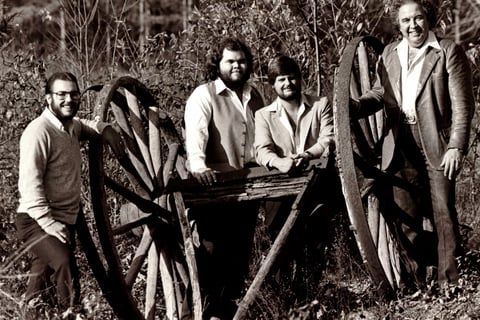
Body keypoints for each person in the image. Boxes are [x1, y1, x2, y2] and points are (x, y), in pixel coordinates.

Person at [350, 0, 475, 291]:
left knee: (443, 210)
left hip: (436, 141)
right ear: (399, 24)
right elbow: (382, 93)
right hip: (399, 141)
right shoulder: (391, 53)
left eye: (418, 18)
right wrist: (356, 106)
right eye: (406, 20)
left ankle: (449, 282)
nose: (413, 25)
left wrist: (456, 145)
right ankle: (416, 282)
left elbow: (462, 104)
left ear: (428, 19)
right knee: (405, 213)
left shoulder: (447, 52)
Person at [16, 72, 125, 317]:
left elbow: (85, 125)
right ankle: (71, 314)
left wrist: (104, 128)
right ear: (48, 99)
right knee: (64, 262)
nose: (68, 100)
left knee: (40, 280)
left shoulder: (70, 126)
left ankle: (26, 315)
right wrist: (49, 223)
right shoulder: (38, 132)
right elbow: (29, 187)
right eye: (61, 94)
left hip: (62, 219)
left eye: (73, 94)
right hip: (35, 220)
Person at [183, 37, 265, 320]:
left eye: (241, 61)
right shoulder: (204, 95)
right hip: (215, 186)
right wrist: (198, 166)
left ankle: (228, 311)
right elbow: (196, 137)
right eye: (230, 61)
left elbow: (265, 137)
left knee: (240, 250)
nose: (236, 66)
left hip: (250, 184)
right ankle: (201, 312)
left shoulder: (255, 96)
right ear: (218, 64)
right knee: (211, 250)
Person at [255, 56, 336, 302]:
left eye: (292, 77)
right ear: (273, 85)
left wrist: (307, 155)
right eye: (281, 79)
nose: (288, 83)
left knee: (317, 232)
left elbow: (328, 139)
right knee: (277, 231)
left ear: (299, 79)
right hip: (282, 184)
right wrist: (281, 163)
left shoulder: (320, 104)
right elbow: (261, 149)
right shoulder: (264, 115)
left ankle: (309, 290)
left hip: (317, 179)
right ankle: (283, 296)